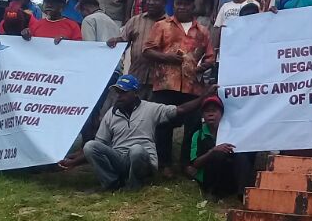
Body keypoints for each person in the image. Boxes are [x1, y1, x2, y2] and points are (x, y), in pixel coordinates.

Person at [60, 74, 217, 191]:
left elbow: (181, 109)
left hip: (143, 160)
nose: (119, 96)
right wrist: (73, 162)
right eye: (117, 92)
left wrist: (204, 96)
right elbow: (100, 145)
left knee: (136, 149)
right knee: (90, 146)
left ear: (135, 93)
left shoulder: (151, 108)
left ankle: (133, 186)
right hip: (120, 159)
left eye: (123, 92)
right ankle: (111, 183)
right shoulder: (111, 114)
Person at [143, 0, 215, 174]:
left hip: (193, 86)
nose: (182, 6)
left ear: (193, 6)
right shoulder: (161, 26)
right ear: (173, 5)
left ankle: (187, 163)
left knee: (192, 125)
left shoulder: (203, 31)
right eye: (178, 3)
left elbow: (210, 57)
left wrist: (201, 67)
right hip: (165, 84)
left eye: (186, 3)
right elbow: (147, 50)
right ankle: (164, 163)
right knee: (163, 124)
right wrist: (168, 58)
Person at [186, 95, 252, 199]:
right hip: (208, 177)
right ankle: (212, 192)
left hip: (229, 176)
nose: (211, 114)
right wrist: (212, 151)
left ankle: (242, 194)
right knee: (217, 154)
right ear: (202, 115)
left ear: (222, 114)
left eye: (214, 110)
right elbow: (195, 163)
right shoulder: (198, 135)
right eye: (207, 111)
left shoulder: (232, 132)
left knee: (242, 157)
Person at [108, 0, 167, 91]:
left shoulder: (171, 24)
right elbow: (123, 40)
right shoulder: (135, 20)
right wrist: (114, 41)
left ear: (164, 3)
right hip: (136, 77)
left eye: (155, 0)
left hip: (160, 80)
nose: (151, 2)